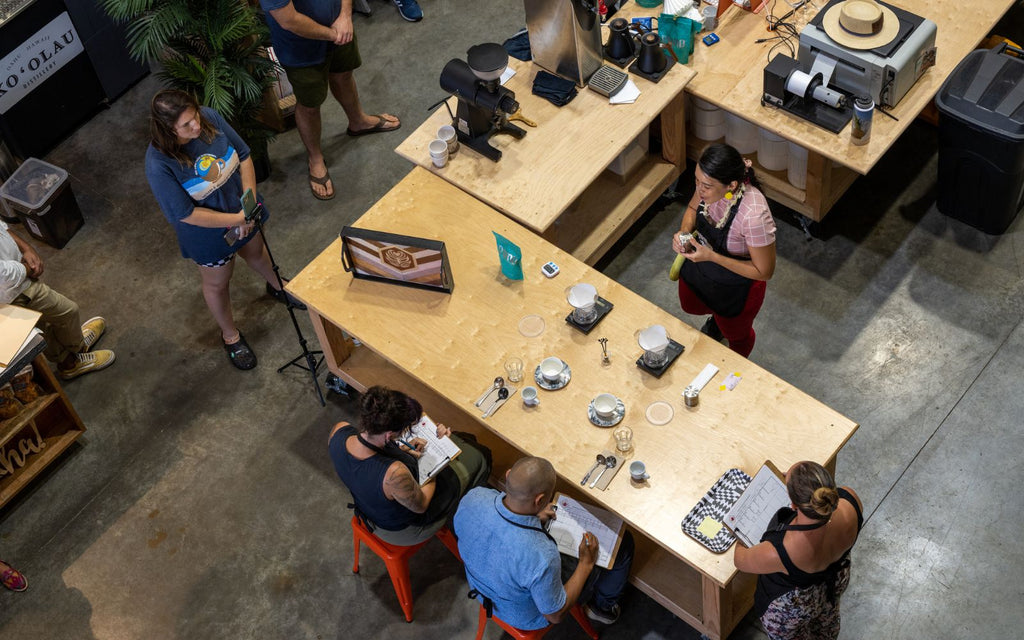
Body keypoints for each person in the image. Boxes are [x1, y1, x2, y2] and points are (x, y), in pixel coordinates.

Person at [145, 89, 303, 371]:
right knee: (218, 282)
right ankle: (230, 335)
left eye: (194, 116)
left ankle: (278, 286)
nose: (196, 125)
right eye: (186, 124)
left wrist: (249, 204)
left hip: (243, 210)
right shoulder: (159, 164)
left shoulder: (209, 117)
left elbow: (243, 156)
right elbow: (186, 213)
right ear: (168, 128)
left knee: (256, 251)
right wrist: (235, 219)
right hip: (209, 234)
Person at [454, 456, 634, 630]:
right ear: (539, 500)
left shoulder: (474, 497)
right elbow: (555, 615)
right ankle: (601, 608)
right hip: (523, 615)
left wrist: (534, 514)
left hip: (483, 589)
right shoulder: (542, 555)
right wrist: (585, 564)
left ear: (508, 475)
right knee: (623, 544)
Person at [259, 0, 401, 200]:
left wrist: (344, 16)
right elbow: (289, 20)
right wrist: (334, 34)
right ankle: (315, 158)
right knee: (309, 103)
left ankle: (358, 121)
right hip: (300, 45)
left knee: (343, 74)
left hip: (340, 24)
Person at [328, 385, 490, 545]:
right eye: (403, 431)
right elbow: (422, 505)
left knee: (463, 438)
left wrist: (403, 450)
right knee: (481, 455)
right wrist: (433, 462)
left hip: (370, 506)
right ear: (389, 435)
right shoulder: (393, 474)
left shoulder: (339, 431)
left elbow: (366, 465)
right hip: (401, 529)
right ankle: (467, 518)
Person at [734, 461, 864, 640]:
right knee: (826, 623)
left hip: (797, 605)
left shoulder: (780, 551)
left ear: (793, 505)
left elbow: (740, 560)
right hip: (834, 583)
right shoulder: (851, 500)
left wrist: (740, 525)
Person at [672, 143, 777, 357]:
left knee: (737, 335)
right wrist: (684, 233)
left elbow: (764, 271)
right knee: (691, 305)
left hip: (737, 286)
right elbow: (693, 208)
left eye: (706, 186)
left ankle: (736, 364)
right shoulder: (707, 185)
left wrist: (711, 256)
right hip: (703, 264)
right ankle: (717, 321)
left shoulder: (754, 216)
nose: (700, 190)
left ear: (731, 185)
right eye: (696, 181)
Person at [1, 220, 114, 380]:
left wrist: (26, 248)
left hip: (19, 278)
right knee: (66, 312)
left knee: (45, 325)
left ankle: (72, 356)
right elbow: (3, 274)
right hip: (12, 291)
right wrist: (28, 268)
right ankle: (75, 354)